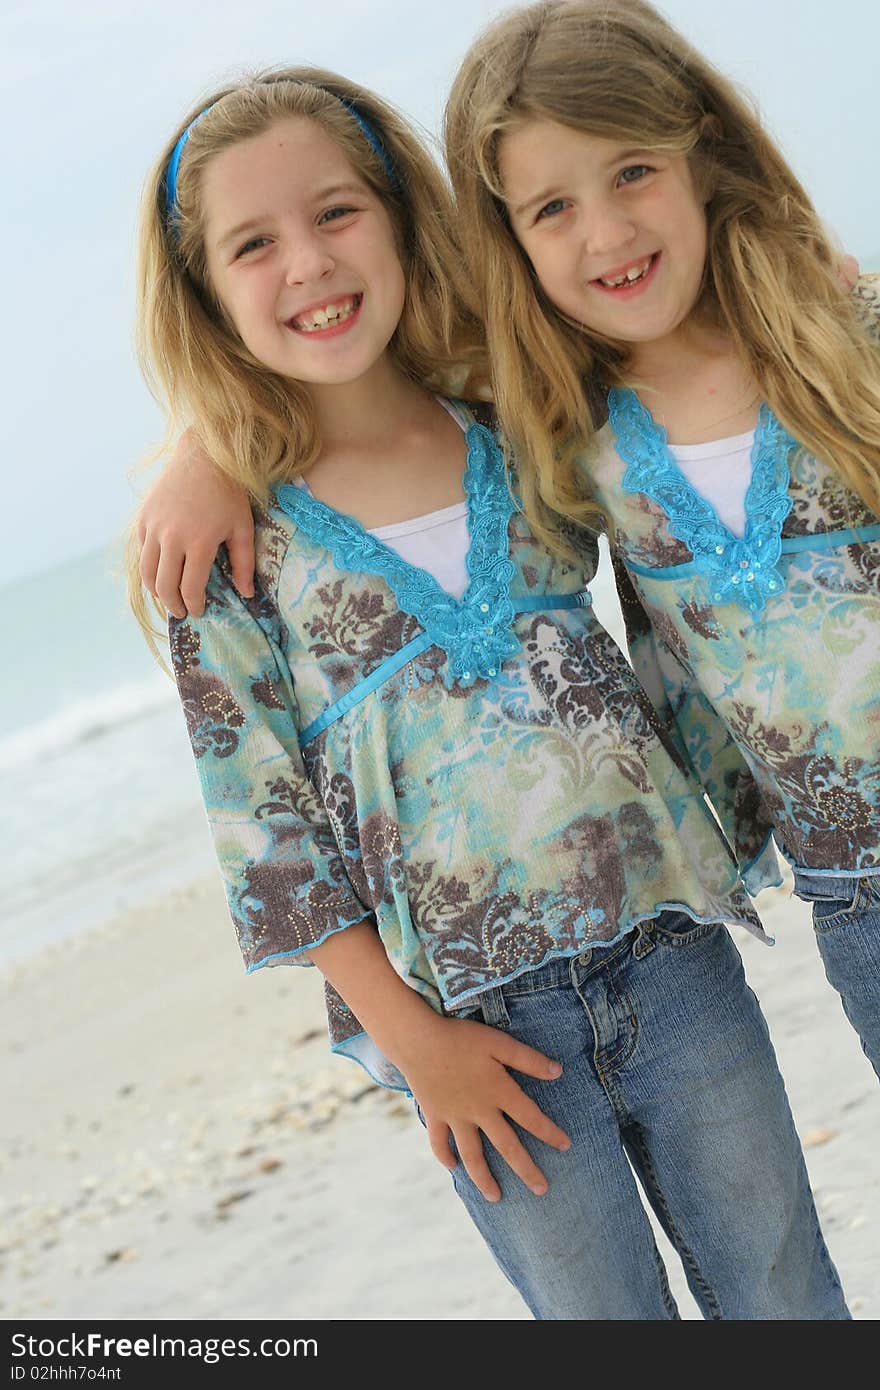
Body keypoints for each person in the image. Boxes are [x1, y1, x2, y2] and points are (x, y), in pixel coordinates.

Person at [130, 65, 849, 1319]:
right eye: (253, 244)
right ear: (204, 291)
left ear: (404, 218)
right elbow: (268, 841)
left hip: (676, 957)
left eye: (337, 213)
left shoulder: (516, 417)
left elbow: (668, 349)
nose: (307, 263)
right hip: (475, 1027)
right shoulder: (233, 547)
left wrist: (825, 288)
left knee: (782, 1282)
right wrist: (414, 1051)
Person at [441, 0, 880, 1080]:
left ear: (701, 153)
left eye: (631, 171)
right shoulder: (560, 422)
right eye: (551, 207)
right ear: (510, 242)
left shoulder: (845, 334)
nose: (605, 233)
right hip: (856, 895)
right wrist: (202, 459)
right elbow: (349, 396)